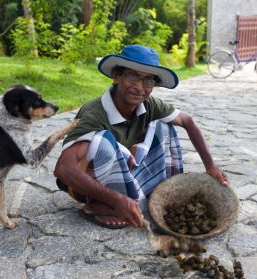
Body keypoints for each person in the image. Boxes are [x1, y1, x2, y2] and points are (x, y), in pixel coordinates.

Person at [54, 44, 229, 230]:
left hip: (119, 171)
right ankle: (99, 203)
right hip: (81, 183)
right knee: (102, 141)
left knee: (164, 126)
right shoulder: (94, 113)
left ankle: (146, 191)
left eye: (148, 80)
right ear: (116, 76)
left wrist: (210, 166)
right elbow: (63, 169)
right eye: (132, 76)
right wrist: (116, 199)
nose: (140, 87)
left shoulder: (149, 104)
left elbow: (187, 121)